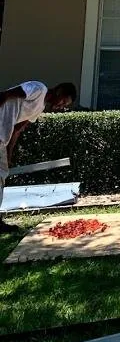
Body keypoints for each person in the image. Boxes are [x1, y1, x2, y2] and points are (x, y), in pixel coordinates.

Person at [0, 80, 77, 234]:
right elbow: (6, 95)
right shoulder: (39, 89)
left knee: (2, 175)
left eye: (65, 105)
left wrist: (9, 154)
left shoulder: (39, 108)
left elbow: (16, 130)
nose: (61, 106)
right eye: (63, 101)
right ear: (58, 91)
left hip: (2, 140)